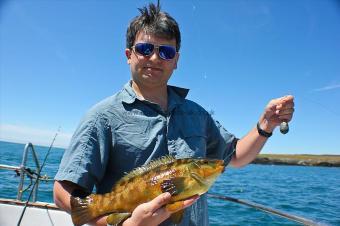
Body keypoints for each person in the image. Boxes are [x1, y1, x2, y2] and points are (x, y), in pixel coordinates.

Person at [53, 2, 294, 226]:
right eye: (145, 49)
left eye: (166, 52)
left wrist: (266, 124)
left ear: (176, 60)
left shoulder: (197, 115)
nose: (155, 58)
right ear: (129, 56)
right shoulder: (102, 116)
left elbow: (236, 156)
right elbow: (63, 193)